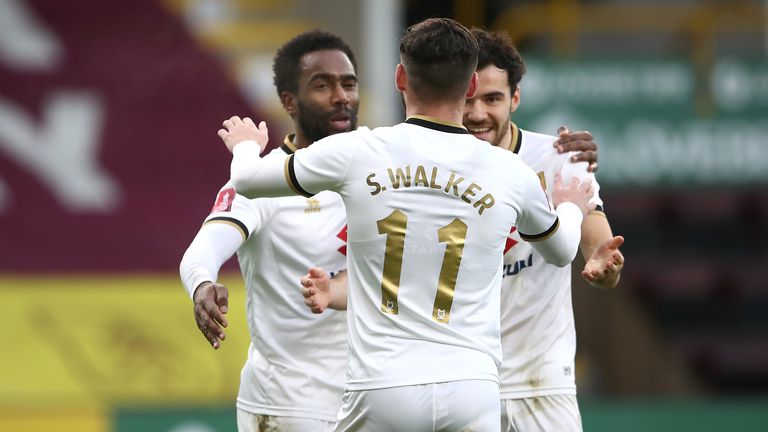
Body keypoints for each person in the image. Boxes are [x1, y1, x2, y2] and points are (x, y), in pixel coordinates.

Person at [218, 18, 595, 432]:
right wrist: (572, 207)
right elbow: (561, 251)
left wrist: (246, 148)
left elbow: (248, 183)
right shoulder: (507, 169)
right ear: (469, 87)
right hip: (472, 386)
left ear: (400, 77)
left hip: (382, 386)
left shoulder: (359, 151)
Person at [179, 30, 360, 432]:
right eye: (322, 85)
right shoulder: (262, 181)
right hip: (288, 406)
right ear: (288, 101)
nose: (341, 96)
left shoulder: (376, 172)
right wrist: (202, 285)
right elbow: (201, 251)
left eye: (348, 83)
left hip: (369, 398)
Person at [462, 28, 625, 431]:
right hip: (461, 383)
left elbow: (597, 242)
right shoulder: (428, 165)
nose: (478, 113)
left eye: (492, 98)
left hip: (542, 384)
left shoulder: (559, 158)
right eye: (468, 99)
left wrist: (606, 264)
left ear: (515, 98)